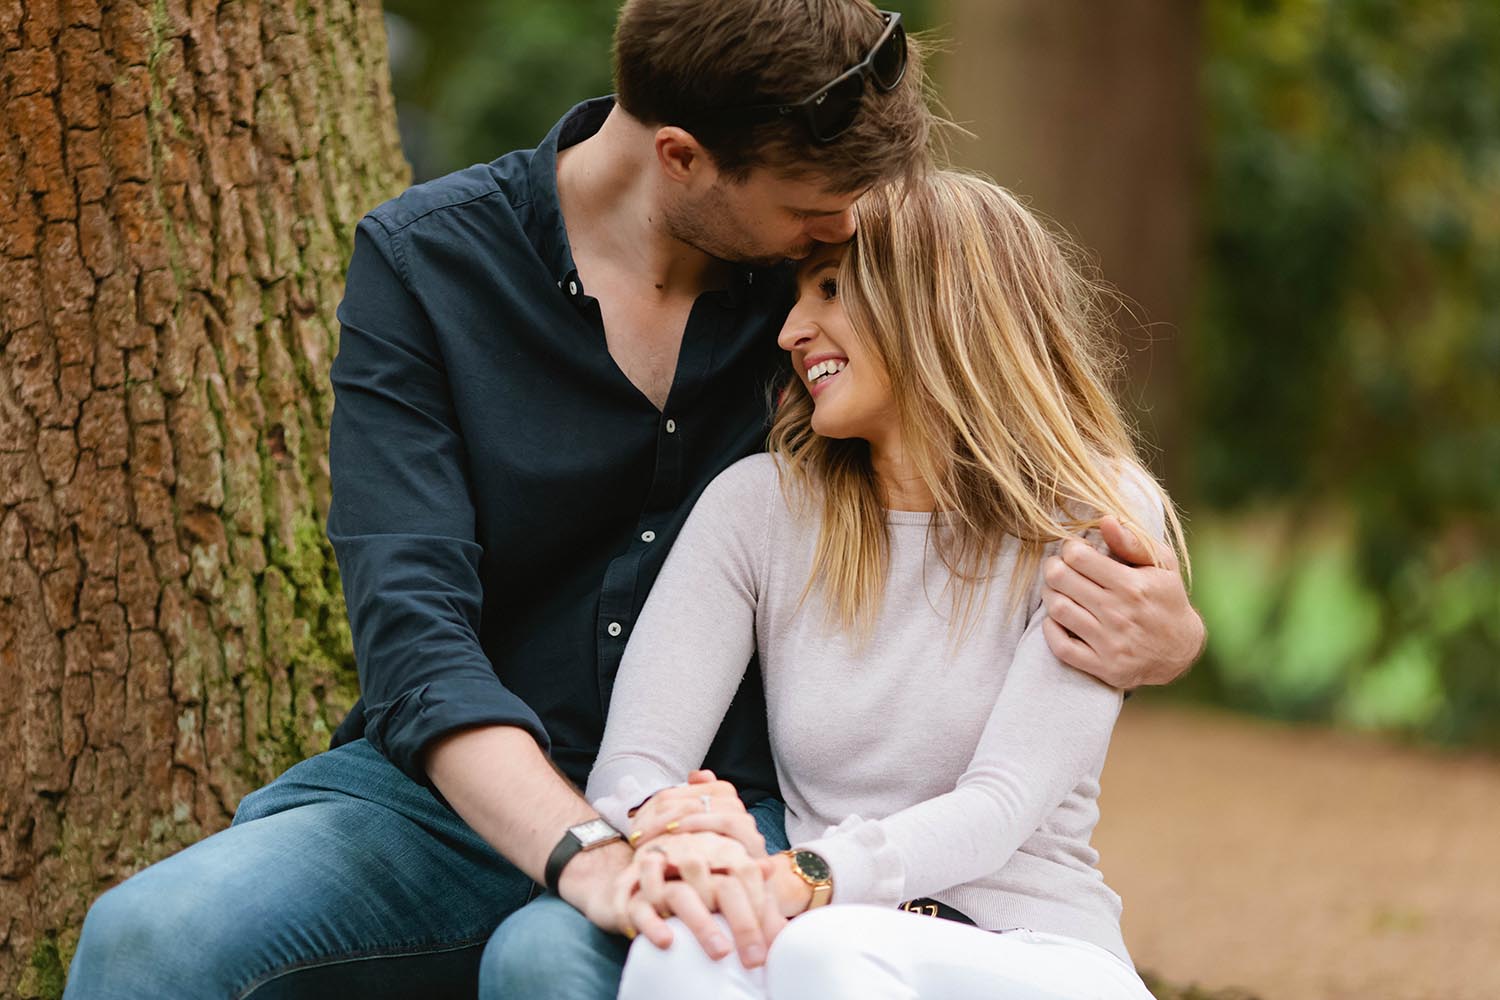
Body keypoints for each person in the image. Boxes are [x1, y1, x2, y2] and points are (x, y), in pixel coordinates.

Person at [63, 2, 1201, 998]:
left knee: (552, 963)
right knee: (148, 939)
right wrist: (587, 850)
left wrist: (1163, 623)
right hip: (458, 795)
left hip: (735, 806)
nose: (843, 230)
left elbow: (987, 442)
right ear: (681, 156)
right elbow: (414, 641)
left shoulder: (814, 294)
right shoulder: (426, 268)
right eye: (816, 210)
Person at [586, 170, 1182, 998]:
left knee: (823, 953)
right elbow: (637, 761)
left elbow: (1002, 803)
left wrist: (811, 873)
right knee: (679, 945)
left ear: (941, 302)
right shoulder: (759, 508)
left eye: (830, 288)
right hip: (823, 933)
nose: (793, 328)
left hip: (1030, 948)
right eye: (797, 296)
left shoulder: (1093, 513)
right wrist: (680, 829)